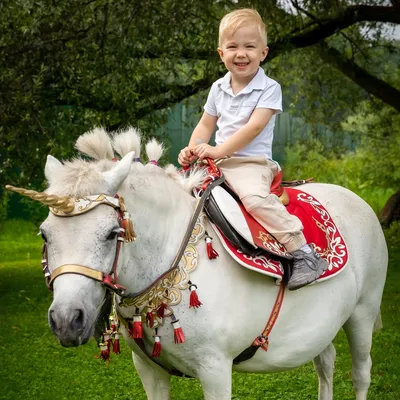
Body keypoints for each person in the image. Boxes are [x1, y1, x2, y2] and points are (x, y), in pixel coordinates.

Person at [178, 8, 327, 290]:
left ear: (263, 52)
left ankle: (303, 251)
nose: (241, 53)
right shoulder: (218, 88)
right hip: (217, 163)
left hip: (251, 163)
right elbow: (205, 125)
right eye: (233, 46)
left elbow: (254, 128)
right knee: (180, 194)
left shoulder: (269, 88)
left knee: (254, 199)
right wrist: (194, 148)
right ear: (221, 53)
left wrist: (217, 150)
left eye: (249, 46)